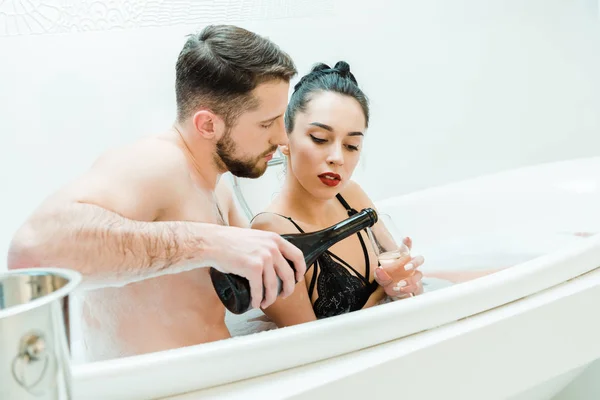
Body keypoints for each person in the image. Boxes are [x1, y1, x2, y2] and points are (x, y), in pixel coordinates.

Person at [6, 25, 307, 361]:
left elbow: (261, 300)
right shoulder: (155, 163)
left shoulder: (217, 187)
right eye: (267, 124)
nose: (282, 138)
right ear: (208, 125)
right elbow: (31, 252)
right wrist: (210, 243)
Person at [249, 61, 496, 328]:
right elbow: (310, 346)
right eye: (319, 138)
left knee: (501, 283)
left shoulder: (351, 196)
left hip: (397, 334)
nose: (337, 158)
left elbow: (404, 277)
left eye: (352, 145)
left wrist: (406, 283)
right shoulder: (269, 232)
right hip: (352, 357)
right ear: (286, 137)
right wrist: (384, 293)